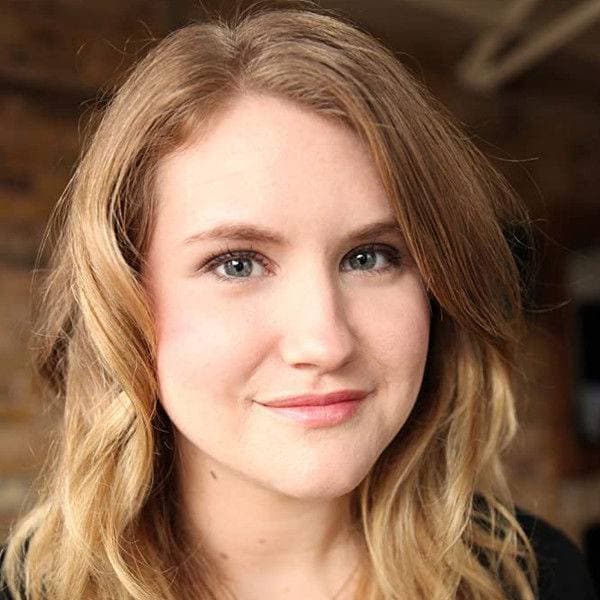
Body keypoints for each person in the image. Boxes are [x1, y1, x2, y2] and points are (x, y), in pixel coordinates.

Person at [0, 2, 597, 599]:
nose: (325, 343)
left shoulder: (535, 579)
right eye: (237, 264)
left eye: (370, 257)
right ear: (121, 296)